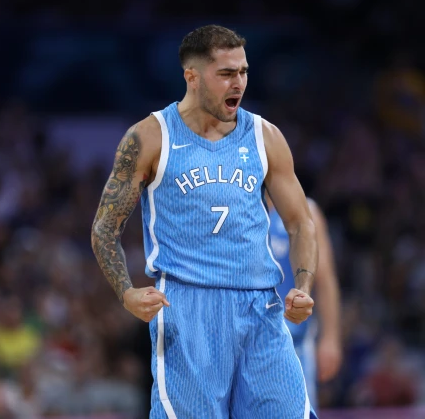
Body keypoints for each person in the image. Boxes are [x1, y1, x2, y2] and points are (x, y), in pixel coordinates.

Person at [91, 24, 319, 419]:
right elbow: (104, 228)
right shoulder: (149, 137)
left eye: (243, 72)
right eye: (226, 73)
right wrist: (126, 292)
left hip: (260, 306)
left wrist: (303, 287)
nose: (239, 83)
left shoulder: (265, 136)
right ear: (192, 77)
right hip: (187, 308)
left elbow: (301, 223)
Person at [267, 194, 342, 409]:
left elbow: (324, 278)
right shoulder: (238, 206)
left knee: (300, 411)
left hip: (295, 342)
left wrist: (330, 337)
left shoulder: (307, 211)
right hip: (247, 337)